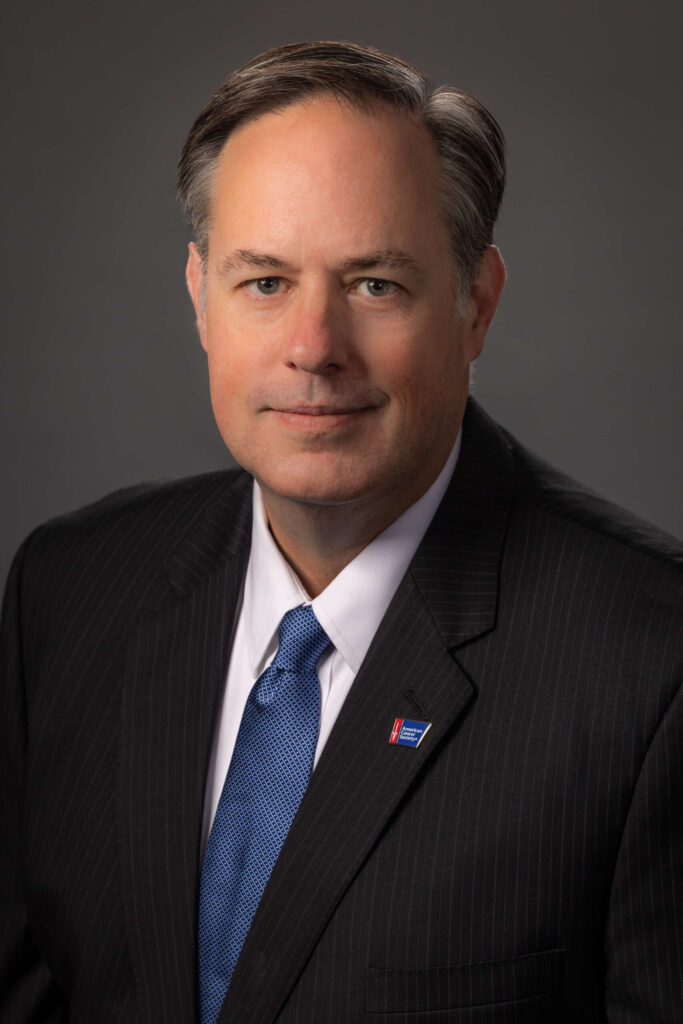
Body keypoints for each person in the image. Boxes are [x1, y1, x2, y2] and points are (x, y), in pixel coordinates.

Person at [1, 40, 681, 1024]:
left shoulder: (647, 669)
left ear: (475, 303)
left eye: (374, 285)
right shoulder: (67, 593)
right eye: (264, 282)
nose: (313, 349)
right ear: (200, 298)